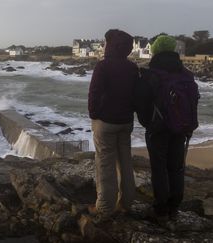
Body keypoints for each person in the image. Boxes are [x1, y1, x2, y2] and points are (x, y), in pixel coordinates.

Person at [134, 35, 199, 223]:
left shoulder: (151, 73)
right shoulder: (186, 74)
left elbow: (140, 102)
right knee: (176, 167)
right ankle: (174, 208)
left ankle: (160, 210)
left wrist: (149, 123)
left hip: (159, 128)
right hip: (181, 127)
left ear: (155, 50)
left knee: (159, 168)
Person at [88, 29, 139, 220]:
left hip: (106, 122)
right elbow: (136, 95)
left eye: (106, 42)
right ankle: (126, 203)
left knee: (105, 164)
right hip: (125, 122)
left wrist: (94, 114)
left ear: (111, 45)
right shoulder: (132, 68)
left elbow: (93, 93)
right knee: (125, 162)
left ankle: (104, 207)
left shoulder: (103, 66)